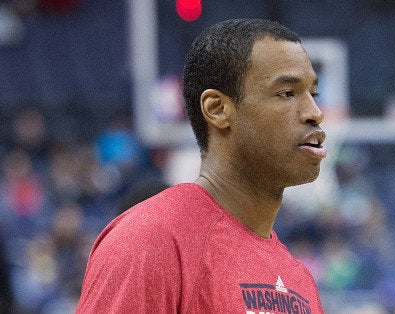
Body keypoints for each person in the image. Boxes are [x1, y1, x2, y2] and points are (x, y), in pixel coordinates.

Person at [77, 18, 327, 312]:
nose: (315, 113)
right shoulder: (151, 239)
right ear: (217, 109)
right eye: (287, 93)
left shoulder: (300, 279)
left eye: (314, 94)